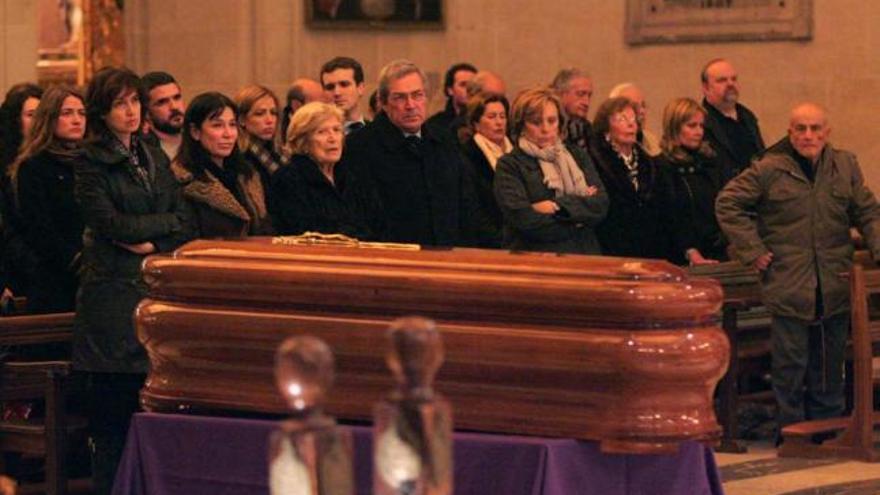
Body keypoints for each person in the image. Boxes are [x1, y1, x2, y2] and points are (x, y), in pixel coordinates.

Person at [716, 102, 880, 436]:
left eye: (815, 129)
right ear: (790, 132)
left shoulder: (844, 165)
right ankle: (790, 432)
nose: (808, 136)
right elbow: (727, 203)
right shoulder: (769, 169)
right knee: (790, 364)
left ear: (827, 132)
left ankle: (827, 430)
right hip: (789, 282)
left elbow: (867, 212)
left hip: (833, 282)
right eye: (801, 129)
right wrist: (754, 250)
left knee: (828, 364)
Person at [75, 66, 192, 494]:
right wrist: (139, 233)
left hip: (151, 288)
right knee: (113, 417)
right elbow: (107, 222)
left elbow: (181, 218)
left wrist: (147, 235)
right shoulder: (89, 160)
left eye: (134, 102)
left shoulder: (149, 151)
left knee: (150, 405)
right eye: (119, 103)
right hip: (111, 301)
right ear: (102, 111)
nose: (129, 111)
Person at [342, 59, 493, 247]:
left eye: (417, 95)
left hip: (447, 257)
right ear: (384, 103)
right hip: (392, 260)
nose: (411, 105)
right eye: (400, 98)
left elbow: (467, 208)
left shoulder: (444, 141)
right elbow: (359, 217)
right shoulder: (359, 147)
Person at [493, 87, 607, 254]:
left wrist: (556, 206)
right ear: (521, 125)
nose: (545, 129)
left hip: (583, 253)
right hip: (533, 257)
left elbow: (600, 204)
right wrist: (579, 219)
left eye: (551, 121)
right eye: (536, 122)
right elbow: (523, 218)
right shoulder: (510, 165)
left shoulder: (577, 155)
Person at [9, 85, 86, 313]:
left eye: (81, 113)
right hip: (56, 279)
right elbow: (39, 228)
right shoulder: (33, 167)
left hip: (97, 277)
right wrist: (77, 260)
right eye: (67, 113)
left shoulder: (91, 162)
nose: (76, 120)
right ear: (50, 117)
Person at [270, 102, 383, 239]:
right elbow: (305, 231)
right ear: (303, 142)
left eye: (336, 130)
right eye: (322, 132)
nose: (332, 138)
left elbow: (377, 223)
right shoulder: (288, 179)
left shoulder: (354, 175)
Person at [172, 92, 272, 238]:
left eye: (232, 125)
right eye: (217, 125)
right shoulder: (183, 178)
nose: (228, 134)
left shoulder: (246, 174)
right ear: (195, 132)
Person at [589, 97, 670, 259]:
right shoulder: (595, 162)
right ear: (606, 129)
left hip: (650, 250)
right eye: (621, 119)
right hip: (612, 250)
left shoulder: (649, 163)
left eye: (633, 119)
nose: (631, 124)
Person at [656, 97, 726, 266]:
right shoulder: (661, 167)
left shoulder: (709, 162)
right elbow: (670, 216)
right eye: (691, 126)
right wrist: (690, 250)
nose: (699, 132)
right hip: (680, 256)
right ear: (674, 128)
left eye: (701, 126)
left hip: (716, 248)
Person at [0, 83, 43, 298]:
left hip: (45, 264)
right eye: (31, 115)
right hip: (14, 268)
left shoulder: (47, 161)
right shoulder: (5, 163)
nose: (38, 122)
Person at [701, 58, 765, 181]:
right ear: (706, 88)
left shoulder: (748, 118)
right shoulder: (700, 123)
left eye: (734, 79)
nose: (730, 84)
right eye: (722, 80)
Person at [460, 93, 512, 238]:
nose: (499, 122)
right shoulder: (467, 156)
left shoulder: (517, 152)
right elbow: (473, 207)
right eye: (491, 117)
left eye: (502, 116)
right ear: (476, 123)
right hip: (488, 237)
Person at [234, 85, 289, 194]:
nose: (270, 120)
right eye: (259, 114)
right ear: (242, 120)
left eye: (273, 113)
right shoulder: (240, 159)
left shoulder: (281, 154)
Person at [140, 71, 185, 160]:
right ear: (146, 113)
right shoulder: (143, 153)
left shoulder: (201, 141)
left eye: (177, 98)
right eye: (162, 102)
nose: (174, 107)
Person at [608, 82, 661, 157]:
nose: (642, 111)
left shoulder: (652, 141)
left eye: (643, 105)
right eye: (634, 106)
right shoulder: (604, 146)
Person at [319, 56, 368, 134]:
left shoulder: (378, 133)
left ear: (360, 88)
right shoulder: (315, 135)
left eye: (344, 84)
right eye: (330, 87)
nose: (337, 93)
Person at [551, 68, 594, 156]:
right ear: (560, 94)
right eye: (580, 94)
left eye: (589, 96)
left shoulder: (589, 130)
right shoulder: (548, 129)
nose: (586, 102)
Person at [426, 62, 477, 135]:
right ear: (450, 90)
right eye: (463, 85)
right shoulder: (435, 125)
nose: (469, 89)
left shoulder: (486, 121)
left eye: (473, 85)